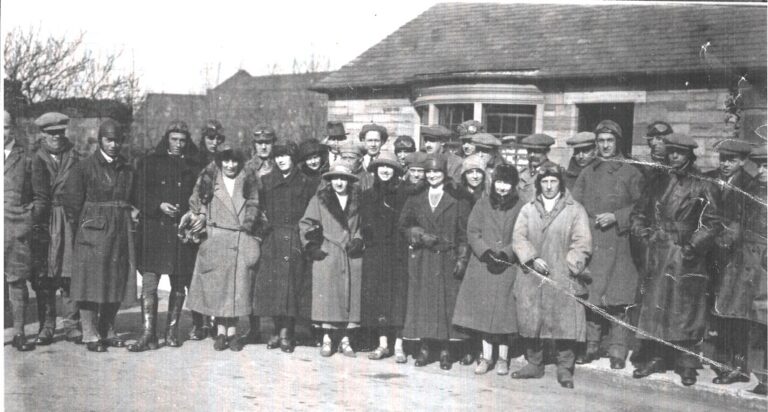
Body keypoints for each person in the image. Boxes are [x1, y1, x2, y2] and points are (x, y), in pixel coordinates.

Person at [630, 133, 721, 386]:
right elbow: (640, 212)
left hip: (684, 252)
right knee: (656, 306)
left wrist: (693, 246)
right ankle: (656, 357)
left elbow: (713, 222)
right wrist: (642, 234)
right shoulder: (657, 179)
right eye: (670, 152)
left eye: (679, 153)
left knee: (685, 310)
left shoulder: (702, 183)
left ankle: (687, 363)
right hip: (657, 250)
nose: (673, 156)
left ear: (690, 155)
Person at [510, 164, 592, 389]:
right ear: (539, 184)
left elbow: (582, 242)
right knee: (531, 320)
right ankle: (534, 364)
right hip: (532, 274)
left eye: (553, 181)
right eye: (544, 182)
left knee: (565, 323)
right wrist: (531, 258)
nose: (548, 186)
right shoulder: (528, 209)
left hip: (562, 274)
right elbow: (518, 237)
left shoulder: (574, 209)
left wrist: (570, 266)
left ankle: (565, 368)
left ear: (561, 183)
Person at [571, 120, 644, 369]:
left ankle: (617, 350)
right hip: (592, 240)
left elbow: (642, 206)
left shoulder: (631, 171)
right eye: (600, 141)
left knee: (618, 299)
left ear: (617, 142)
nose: (604, 146)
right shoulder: (588, 171)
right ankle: (591, 346)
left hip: (620, 242)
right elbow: (574, 203)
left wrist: (617, 216)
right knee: (593, 296)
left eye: (609, 141)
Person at [62, 119, 136, 353]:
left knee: (116, 279)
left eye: (117, 140)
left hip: (119, 230)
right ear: (100, 140)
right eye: (109, 140)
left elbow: (132, 197)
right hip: (92, 232)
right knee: (90, 282)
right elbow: (72, 203)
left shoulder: (126, 168)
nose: (113, 145)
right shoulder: (84, 167)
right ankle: (89, 332)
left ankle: (107, 328)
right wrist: (87, 226)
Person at [128, 120, 201, 352]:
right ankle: (148, 333)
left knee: (179, 282)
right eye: (174, 139)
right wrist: (157, 205)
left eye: (182, 140)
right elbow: (137, 193)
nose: (179, 144)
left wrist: (192, 212)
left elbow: (202, 196)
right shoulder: (149, 163)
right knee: (149, 282)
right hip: (155, 230)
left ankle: (171, 331)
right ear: (166, 139)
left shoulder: (194, 165)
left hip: (181, 232)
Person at [185, 143, 263, 351]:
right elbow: (196, 201)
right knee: (219, 287)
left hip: (240, 238)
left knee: (237, 288)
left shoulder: (248, 179)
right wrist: (201, 216)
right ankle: (220, 331)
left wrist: (253, 234)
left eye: (235, 160)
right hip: (216, 237)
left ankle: (233, 333)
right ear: (220, 161)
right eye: (226, 160)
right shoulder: (209, 178)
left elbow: (258, 208)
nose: (230, 165)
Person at [398, 154, 471, 370]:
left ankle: (446, 350)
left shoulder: (457, 199)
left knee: (445, 306)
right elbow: (403, 225)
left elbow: (464, 233)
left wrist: (462, 258)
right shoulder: (416, 197)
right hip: (423, 258)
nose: (432, 176)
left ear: (444, 173)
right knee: (424, 304)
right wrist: (419, 235)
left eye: (436, 172)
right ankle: (425, 348)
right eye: (428, 172)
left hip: (447, 259)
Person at [453, 164, 524, 376]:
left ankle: (503, 358)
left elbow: (523, 234)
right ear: (494, 183)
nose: (503, 187)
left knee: (504, 314)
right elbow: (472, 231)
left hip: (507, 266)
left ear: (513, 186)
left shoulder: (521, 206)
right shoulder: (482, 204)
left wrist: (506, 253)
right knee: (484, 314)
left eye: (507, 183)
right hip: (483, 265)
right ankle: (486, 357)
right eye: (500, 182)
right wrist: (485, 252)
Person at [252, 141, 317, 353]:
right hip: (273, 238)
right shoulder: (267, 181)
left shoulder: (306, 183)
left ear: (293, 158)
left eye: (285, 156)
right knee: (272, 286)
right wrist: (263, 227)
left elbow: (311, 212)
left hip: (295, 239)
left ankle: (286, 333)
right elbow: (258, 208)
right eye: (278, 156)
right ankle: (274, 330)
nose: (280, 160)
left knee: (291, 286)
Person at [706, 139, 760, 385]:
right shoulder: (718, 181)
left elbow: (739, 223)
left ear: (742, 161)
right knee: (722, 309)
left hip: (737, 257)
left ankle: (738, 366)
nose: (725, 164)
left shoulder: (748, 186)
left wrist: (717, 242)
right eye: (722, 159)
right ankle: (723, 360)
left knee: (736, 312)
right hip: (721, 256)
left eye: (731, 160)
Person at [299, 161, 364, 357]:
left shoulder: (357, 201)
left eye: (343, 178)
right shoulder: (319, 200)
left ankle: (345, 339)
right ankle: (326, 338)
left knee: (350, 298)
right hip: (328, 252)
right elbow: (306, 223)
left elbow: (361, 226)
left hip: (350, 254)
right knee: (328, 297)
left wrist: (359, 240)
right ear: (330, 180)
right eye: (335, 178)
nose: (339, 182)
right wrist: (313, 245)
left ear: (349, 181)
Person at [30, 112, 81, 345]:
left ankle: (71, 324)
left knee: (70, 273)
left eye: (60, 133)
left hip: (70, 219)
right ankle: (47, 325)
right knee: (46, 275)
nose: (56, 138)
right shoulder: (34, 159)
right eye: (51, 134)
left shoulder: (75, 157)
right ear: (42, 134)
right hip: (44, 221)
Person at [360, 150, 409, 362]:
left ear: (396, 171)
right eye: (381, 167)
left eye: (389, 167)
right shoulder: (368, 194)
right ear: (375, 170)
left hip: (397, 252)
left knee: (398, 298)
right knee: (379, 298)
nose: (385, 171)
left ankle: (399, 344)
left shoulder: (404, 193)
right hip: (376, 252)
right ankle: (382, 344)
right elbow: (363, 222)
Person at [4, 110, 35, 351]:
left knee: (16, 281)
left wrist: (26, 220)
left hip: (14, 230)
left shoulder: (26, 159)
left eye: (4, 127)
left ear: (12, 129)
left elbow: (37, 197)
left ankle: (19, 333)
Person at [516, 134, 560, 202]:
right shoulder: (521, 172)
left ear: (546, 152)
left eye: (537, 151)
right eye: (529, 151)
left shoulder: (555, 172)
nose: (532, 155)